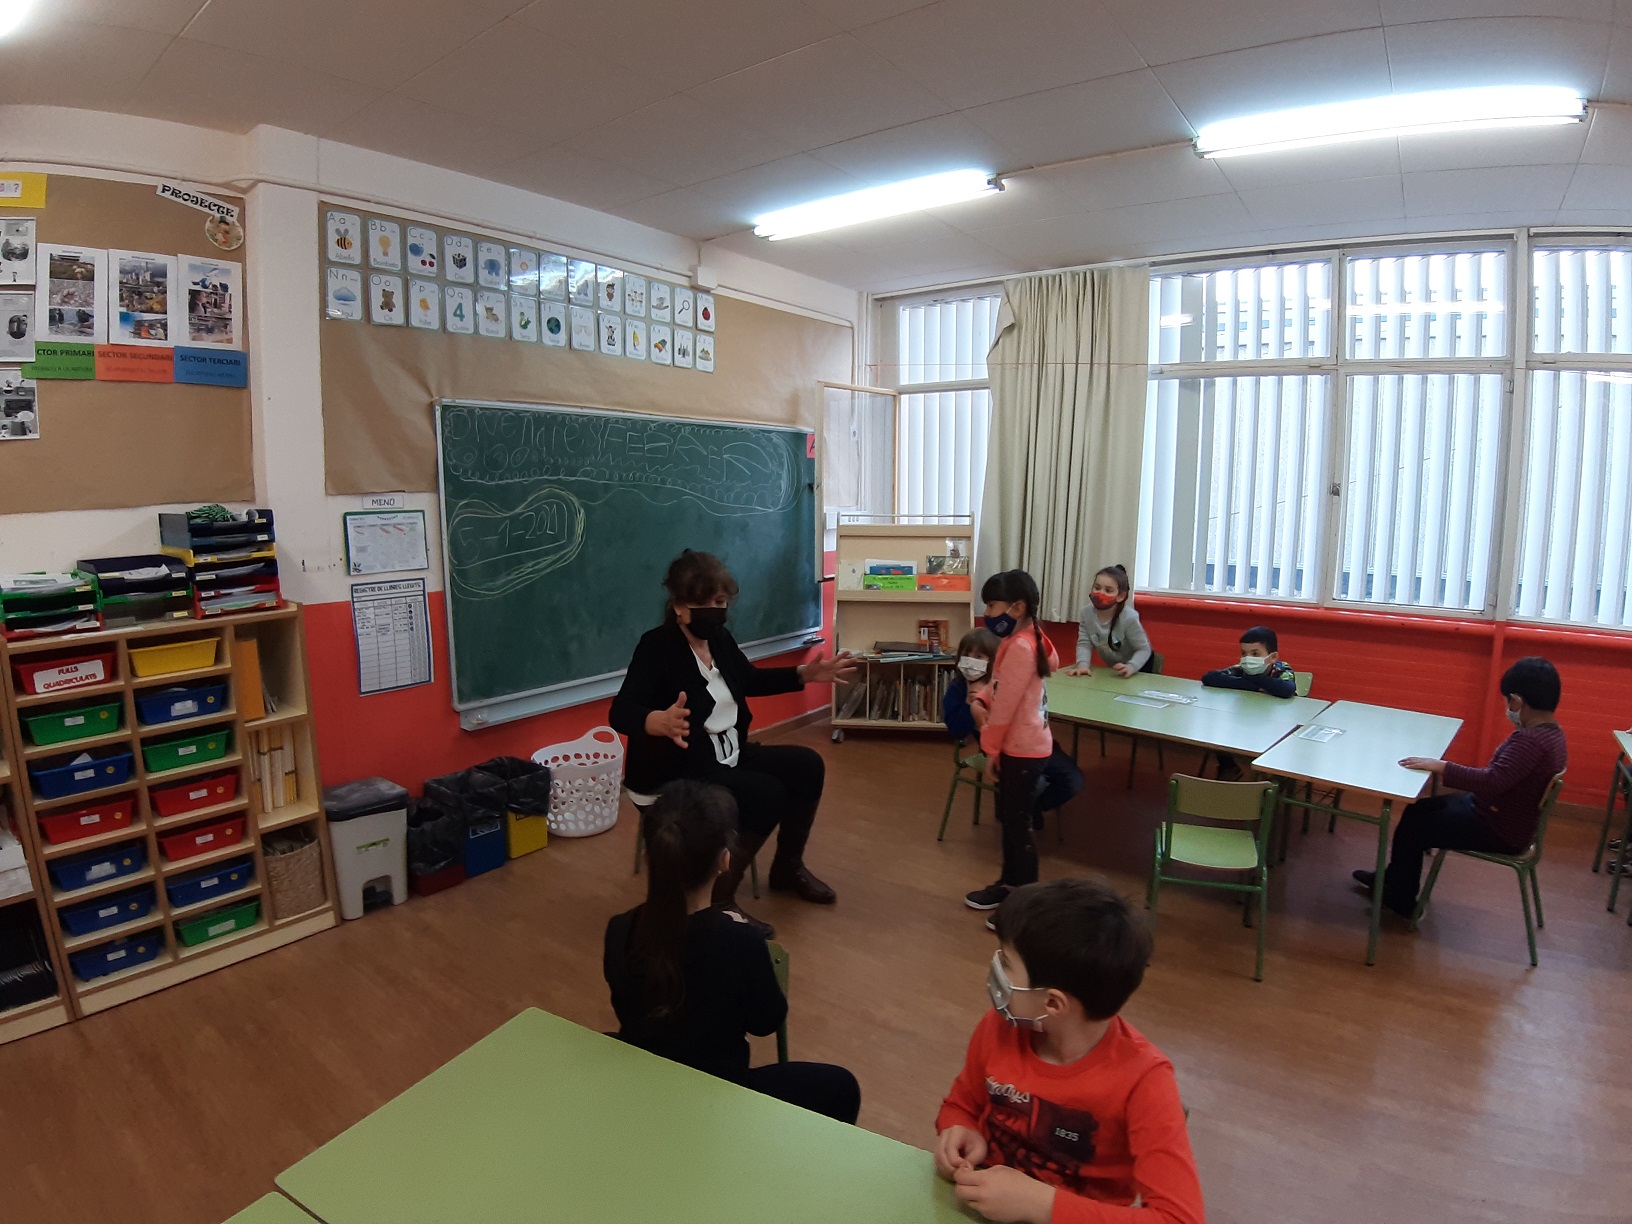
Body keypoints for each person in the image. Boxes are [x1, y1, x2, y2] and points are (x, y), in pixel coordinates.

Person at [611, 550, 855, 935]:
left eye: (721, 601)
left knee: (807, 765)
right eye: (703, 603)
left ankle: (787, 868)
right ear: (678, 606)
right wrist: (655, 721)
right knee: (766, 793)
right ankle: (718, 901)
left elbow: (748, 679)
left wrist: (803, 674)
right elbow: (621, 711)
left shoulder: (719, 639)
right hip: (673, 771)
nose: (714, 611)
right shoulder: (657, 647)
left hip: (724, 756)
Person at [934, 878, 1205, 1224]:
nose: (995, 969)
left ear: (1053, 1003)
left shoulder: (1145, 1082)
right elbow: (962, 1104)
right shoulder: (999, 1027)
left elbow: (1181, 1219)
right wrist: (959, 1129)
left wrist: (1043, 1205)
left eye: (1007, 963)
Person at [603, 780, 860, 1123]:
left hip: (647, 1082)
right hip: (715, 1099)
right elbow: (767, 1021)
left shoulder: (619, 929)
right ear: (725, 860)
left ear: (649, 857)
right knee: (842, 1086)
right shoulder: (740, 941)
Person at [1354, 656, 1568, 918]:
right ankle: (1395, 879)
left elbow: (1491, 782)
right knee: (1418, 810)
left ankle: (1401, 898)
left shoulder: (1530, 742)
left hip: (1498, 828)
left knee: (1415, 826)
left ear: (1516, 701)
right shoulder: (1552, 734)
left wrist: (1442, 766)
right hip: (1500, 816)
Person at [964, 571, 1059, 917]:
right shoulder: (1025, 638)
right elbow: (1001, 686)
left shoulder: (1020, 646)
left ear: (1017, 608)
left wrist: (990, 748)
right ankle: (1009, 885)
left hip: (1022, 749)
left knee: (1018, 826)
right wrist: (983, 698)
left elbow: (1005, 709)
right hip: (1024, 745)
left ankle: (1024, 899)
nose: (987, 613)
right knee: (1012, 821)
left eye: (992, 605)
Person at [946, 627, 1084, 836]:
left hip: (1035, 744)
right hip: (1000, 753)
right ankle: (1018, 814)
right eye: (967, 654)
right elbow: (957, 730)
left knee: (1073, 781)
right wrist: (968, 704)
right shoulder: (957, 688)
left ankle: (1031, 809)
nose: (971, 661)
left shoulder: (1008, 680)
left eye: (979, 656)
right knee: (1030, 785)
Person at [1201, 626, 1298, 780]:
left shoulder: (1282, 669)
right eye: (1244, 653)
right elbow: (1209, 678)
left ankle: (1272, 777)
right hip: (1245, 715)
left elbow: (1287, 689)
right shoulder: (1242, 668)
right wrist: (1252, 685)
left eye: (1255, 654)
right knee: (1220, 728)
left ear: (1273, 657)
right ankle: (1229, 767)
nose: (1248, 659)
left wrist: (1253, 679)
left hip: (1275, 722)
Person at [1061, 565, 1153, 678]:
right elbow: (1084, 643)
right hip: (1115, 672)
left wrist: (1131, 666)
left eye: (1108, 590)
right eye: (1097, 588)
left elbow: (1144, 649)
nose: (1101, 593)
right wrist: (1083, 666)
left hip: (1140, 669)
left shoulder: (1129, 617)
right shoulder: (1086, 613)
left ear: (1120, 596)